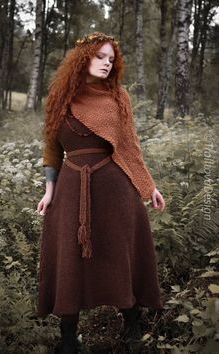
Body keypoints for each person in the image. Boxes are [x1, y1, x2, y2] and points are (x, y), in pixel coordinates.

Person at [36, 31, 165, 354]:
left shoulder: (118, 97)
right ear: (83, 59)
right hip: (70, 187)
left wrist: (149, 187)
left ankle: (131, 325)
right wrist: (49, 191)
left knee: (120, 254)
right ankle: (68, 336)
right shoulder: (60, 98)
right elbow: (52, 149)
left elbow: (130, 147)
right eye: (100, 57)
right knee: (69, 257)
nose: (106, 64)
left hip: (115, 188)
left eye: (111, 59)